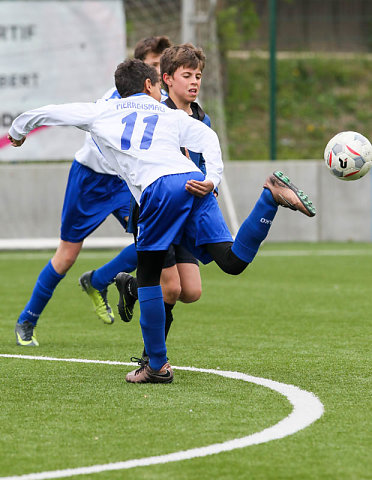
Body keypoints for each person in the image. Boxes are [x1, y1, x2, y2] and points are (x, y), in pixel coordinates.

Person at [8, 59, 316, 385]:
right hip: (193, 181)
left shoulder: (103, 111)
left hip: (159, 189)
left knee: (150, 277)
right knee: (232, 260)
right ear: (149, 86)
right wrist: (212, 178)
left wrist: (18, 132)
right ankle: (268, 199)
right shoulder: (169, 114)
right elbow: (207, 138)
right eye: (158, 84)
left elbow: (52, 112)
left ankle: (156, 365)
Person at [13, 36, 171, 347]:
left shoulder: (163, 102)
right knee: (68, 254)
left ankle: (98, 281)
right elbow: (75, 119)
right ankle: (27, 319)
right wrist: (20, 128)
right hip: (90, 180)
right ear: (142, 72)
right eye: (153, 66)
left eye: (161, 66)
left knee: (153, 242)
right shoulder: (114, 100)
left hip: (126, 183)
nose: (159, 74)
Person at [115, 43, 212, 364]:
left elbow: (206, 161)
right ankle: (152, 358)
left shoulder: (202, 118)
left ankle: (131, 288)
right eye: (187, 75)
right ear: (167, 79)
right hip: (156, 208)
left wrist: (210, 184)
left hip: (186, 212)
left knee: (192, 292)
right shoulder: (157, 112)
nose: (195, 82)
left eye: (198, 75)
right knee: (169, 289)